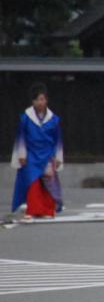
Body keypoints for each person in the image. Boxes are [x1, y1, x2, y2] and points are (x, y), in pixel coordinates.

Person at [10, 84, 64, 220]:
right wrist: (21, 154)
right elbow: (21, 137)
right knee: (32, 181)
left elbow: (58, 140)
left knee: (48, 183)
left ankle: (47, 210)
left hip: (47, 153)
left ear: (46, 100)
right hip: (31, 153)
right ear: (33, 101)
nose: (41, 102)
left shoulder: (54, 119)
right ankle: (33, 210)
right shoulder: (25, 118)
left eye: (43, 99)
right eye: (38, 99)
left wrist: (58, 157)